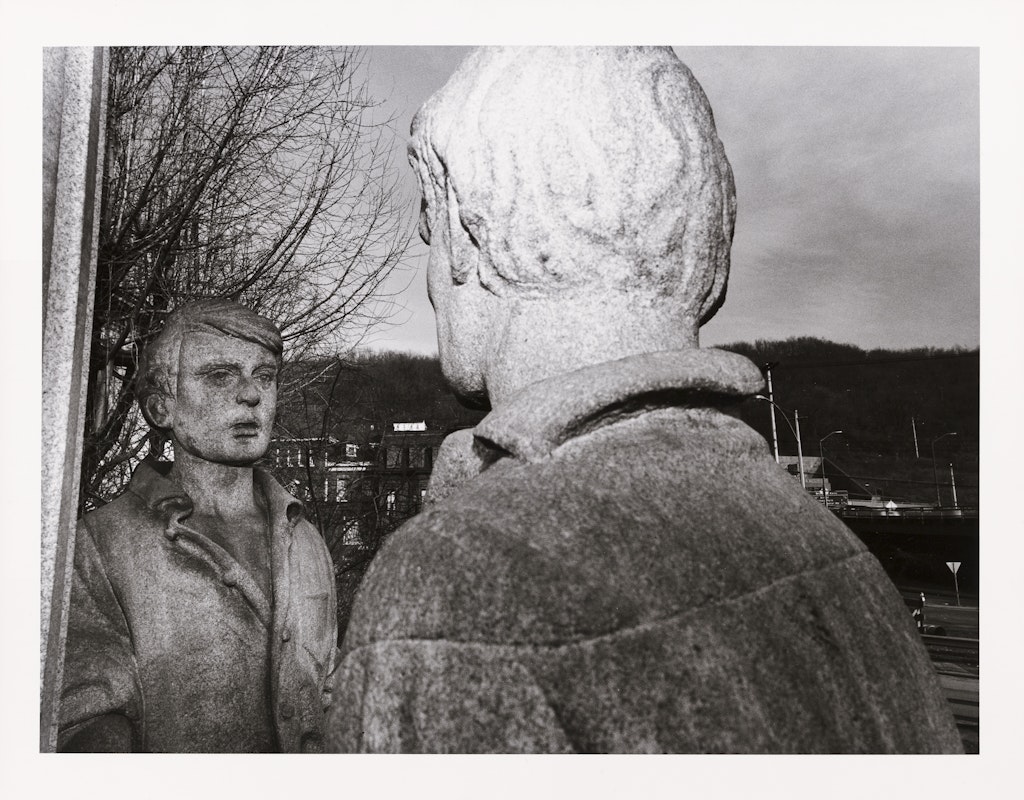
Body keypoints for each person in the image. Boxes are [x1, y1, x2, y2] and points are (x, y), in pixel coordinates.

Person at [325, 46, 961, 753]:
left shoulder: (459, 587)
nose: (431, 278)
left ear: (468, 229)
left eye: (427, 228)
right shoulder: (830, 548)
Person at [58, 299, 338, 753]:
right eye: (220, 376)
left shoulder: (304, 537)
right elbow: (83, 725)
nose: (251, 394)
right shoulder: (101, 545)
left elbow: (325, 687)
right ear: (161, 407)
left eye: (264, 376)